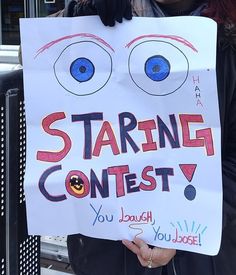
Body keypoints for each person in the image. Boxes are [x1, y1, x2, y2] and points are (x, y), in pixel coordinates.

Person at [63, 0, 236, 274]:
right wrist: (84, 14)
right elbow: (36, 57)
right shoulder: (102, 9)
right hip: (108, 252)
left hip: (204, 256)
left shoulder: (229, 30)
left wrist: (183, 226)